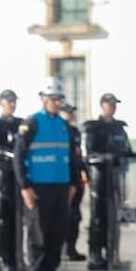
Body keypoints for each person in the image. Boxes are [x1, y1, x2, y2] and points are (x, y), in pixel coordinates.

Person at [13, 78, 76, 271]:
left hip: (61, 186)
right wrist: (25, 186)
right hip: (39, 187)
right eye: (52, 98)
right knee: (39, 234)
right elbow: (18, 157)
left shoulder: (64, 125)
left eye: (59, 99)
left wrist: (73, 183)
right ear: (43, 98)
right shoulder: (32, 123)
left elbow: (72, 157)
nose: (56, 103)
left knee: (57, 234)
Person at [83, 93, 135, 271]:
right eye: (109, 104)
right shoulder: (93, 128)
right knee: (98, 215)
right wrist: (104, 157)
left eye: (114, 105)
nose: (112, 107)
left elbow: (126, 149)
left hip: (116, 177)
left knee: (114, 216)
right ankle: (95, 253)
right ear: (102, 106)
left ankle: (112, 251)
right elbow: (89, 153)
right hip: (99, 177)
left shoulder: (119, 128)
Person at [0, 89, 24, 271]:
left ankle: (17, 257)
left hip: (17, 174)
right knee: (2, 217)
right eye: (8, 101)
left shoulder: (20, 124)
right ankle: (3, 258)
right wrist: (12, 154)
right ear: (1, 103)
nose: (11, 105)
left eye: (13, 101)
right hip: (2, 174)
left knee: (17, 218)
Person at [60, 103, 89, 261]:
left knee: (75, 216)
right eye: (67, 112)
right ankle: (61, 247)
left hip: (77, 177)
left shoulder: (75, 132)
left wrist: (84, 174)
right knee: (63, 215)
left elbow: (79, 156)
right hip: (64, 179)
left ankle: (71, 248)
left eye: (72, 112)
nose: (70, 115)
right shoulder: (58, 131)